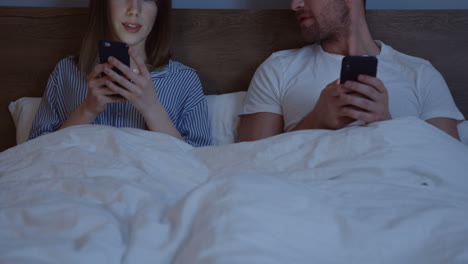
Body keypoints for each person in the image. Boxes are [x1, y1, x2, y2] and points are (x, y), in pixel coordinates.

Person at [237, 0, 464, 142]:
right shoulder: (278, 69)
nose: (294, 5)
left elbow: (448, 169)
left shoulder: (419, 74)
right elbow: (249, 167)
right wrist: (315, 121)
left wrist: (388, 125)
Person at [29, 0, 211, 147]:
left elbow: (199, 163)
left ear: (159, 10)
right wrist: (87, 110)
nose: (134, 9)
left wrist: (152, 108)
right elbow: (33, 153)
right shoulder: (66, 72)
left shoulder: (184, 79)